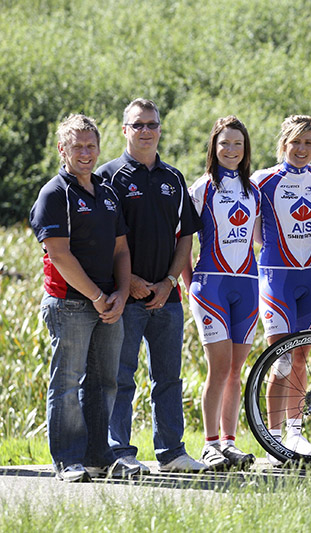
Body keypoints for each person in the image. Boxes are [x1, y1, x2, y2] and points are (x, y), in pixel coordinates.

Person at [97, 98, 206, 473]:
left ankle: (172, 453)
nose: (146, 131)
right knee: (120, 378)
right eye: (138, 124)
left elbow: (186, 236)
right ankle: (119, 453)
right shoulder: (108, 177)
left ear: (160, 129)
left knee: (168, 379)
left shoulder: (173, 178)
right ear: (124, 130)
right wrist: (130, 282)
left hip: (167, 298)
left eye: (152, 124)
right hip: (124, 297)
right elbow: (102, 240)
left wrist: (169, 282)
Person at [30, 114, 136, 481]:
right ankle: (68, 461)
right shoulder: (54, 194)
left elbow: (121, 250)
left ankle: (98, 457)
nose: (86, 153)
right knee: (67, 383)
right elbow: (59, 255)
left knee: (105, 383)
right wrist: (97, 296)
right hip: (70, 304)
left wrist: (121, 293)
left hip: (108, 304)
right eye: (78, 147)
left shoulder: (107, 192)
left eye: (91, 146)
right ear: (62, 149)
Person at [183, 116, 260, 470]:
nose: (231, 149)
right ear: (214, 147)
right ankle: (209, 444)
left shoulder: (253, 190)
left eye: (237, 144)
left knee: (235, 371)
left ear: (245, 149)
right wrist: (190, 286)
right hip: (211, 285)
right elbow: (183, 244)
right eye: (224, 143)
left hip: (247, 285)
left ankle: (229, 443)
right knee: (219, 368)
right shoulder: (201, 188)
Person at [251, 115, 311, 457]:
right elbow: (255, 233)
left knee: (300, 359)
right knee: (280, 360)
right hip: (276, 278)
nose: (301, 148)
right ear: (283, 144)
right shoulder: (263, 180)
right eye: (295, 142)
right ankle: (273, 437)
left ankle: (295, 435)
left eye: (308, 143)